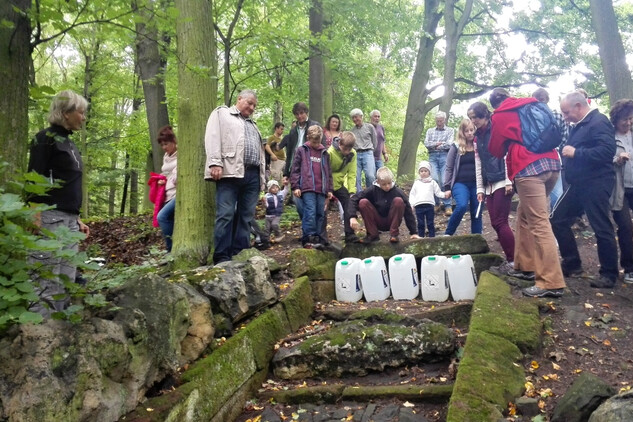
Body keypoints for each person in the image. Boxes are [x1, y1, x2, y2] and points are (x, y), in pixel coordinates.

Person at [488, 87, 566, 298]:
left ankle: (551, 281)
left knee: (539, 222)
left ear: (494, 104)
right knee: (524, 215)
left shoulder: (500, 115)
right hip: (552, 165)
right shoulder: (531, 103)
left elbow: (495, 149)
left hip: (528, 168)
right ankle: (526, 266)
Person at [28, 89, 90, 316]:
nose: (83, 117)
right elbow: (35, 177)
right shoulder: (44, 139)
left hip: (69, 220)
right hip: (49, 218)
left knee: (66, 280)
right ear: (65, 113)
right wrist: (35, 216)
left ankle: (58, 336)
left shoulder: (70, 144)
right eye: (80, 112)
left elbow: (66, 184)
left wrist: (77, 219)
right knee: (46, 281)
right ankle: (38, 336)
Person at [551, 91, 618, 289]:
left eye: (566, 112)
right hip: (578, 184)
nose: (565, 117)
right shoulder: (579, 126)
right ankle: (572, 264)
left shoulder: (598, 121)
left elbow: (607, 151)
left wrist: (576, 152)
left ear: (579, 106)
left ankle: (609, 274)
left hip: (596, 183)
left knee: (601, 226)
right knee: (558, 219)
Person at [205, 89, 265, 264]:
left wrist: (263, 177)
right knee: (226, 214)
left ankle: (240, 253)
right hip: (230, 172)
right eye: (249, 103)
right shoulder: (222, 114)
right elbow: (212, 136)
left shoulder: (253, 124)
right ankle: (222, 256)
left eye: (254, 105)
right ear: (239, 99)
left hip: (252, 175)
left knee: (246, 215)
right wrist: (215, 162)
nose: (252, 107)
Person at [469, 102, 515, 270]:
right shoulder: (477, 137)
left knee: (501, 222)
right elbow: (478, 163)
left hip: (503, 180)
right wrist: (480, 188)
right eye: (471, 118)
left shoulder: (496, 128)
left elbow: (505, 155)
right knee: (495, 223)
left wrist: (509, 180)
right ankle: (511, 259)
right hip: (489, 184)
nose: (473, 120)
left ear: (484, 114)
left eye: (475, 117)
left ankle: (513, 261)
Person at [349, 167, 419, 243]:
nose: (387, 186)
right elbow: (353, 200)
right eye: (384, 184)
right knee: (363, 202)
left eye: (389, 183)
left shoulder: (398, 192)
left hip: (392, 220)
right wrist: (352, 217)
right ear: (378, 182)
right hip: (377, 220)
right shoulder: (372, 190)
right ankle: (372, 235)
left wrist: (413, 232)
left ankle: (394, 235)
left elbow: (408, 212)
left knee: (398, 201)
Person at [290, 125, 333, 248]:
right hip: (307, 187)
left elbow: (328, 172)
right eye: (314, 141)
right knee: (310, 212)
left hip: (321, 189)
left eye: (318, 141)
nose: (316, 144)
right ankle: (309, 236)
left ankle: (318, 237)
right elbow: (295, 169)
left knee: (321, 212)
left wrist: (329, 189)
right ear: (308, 138)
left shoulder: (324, 153)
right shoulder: (302, 150)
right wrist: (295, 186)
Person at [443, 119, 482, 236]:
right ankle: (448, 234)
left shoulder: (478, 145)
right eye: (467, 131)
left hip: (477, 184)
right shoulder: (455, 147)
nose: (470, 133)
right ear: (462, 132)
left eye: (471, 130)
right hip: (460, 183)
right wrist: (447, 187)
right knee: (462, 205)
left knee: (477, 210)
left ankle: (476, 237)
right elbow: (449, 167)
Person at [532, 88, 569, 209]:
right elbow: (565, 138)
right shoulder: (557, 115)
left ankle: (545, 221)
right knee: (556, 193)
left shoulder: (530, 118)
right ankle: (556, 220)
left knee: (538, 194)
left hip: (534, 160)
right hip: (554, 157)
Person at [609, 99, 633, 284]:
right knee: (625, 227)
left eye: (631, 119)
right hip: (620, 189)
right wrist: (617, 159)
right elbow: (602, 157)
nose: (628, 123)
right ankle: (629, 268)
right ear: (616, 119)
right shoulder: (609, 136)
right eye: (625, 119)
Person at [328, 131, 360, 243]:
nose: (346, 152)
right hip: (327, 184)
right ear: (339, 143)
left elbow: (352, 173)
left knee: (349, 203)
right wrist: (328, 190)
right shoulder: (330, 152)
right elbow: (325, 172)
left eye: (349, 150)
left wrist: (352, 191)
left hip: (339, 185)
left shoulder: (353, 154)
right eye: (344, 149)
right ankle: (320, 236)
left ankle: (349, 234)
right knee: (322, 207)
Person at [425, 111, 455, 216]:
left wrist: (436, 145)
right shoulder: (430, 131)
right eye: (437, 121)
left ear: (444, 120)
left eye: (441, 121)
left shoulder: (450, 130)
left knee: (444, 180)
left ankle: (448, 205)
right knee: (434, 179)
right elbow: (426, 144)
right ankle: (436, 203)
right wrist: (438, 144)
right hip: (432, 157)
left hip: (445, 157)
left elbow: (449, 144)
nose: (439, 122)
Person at [409, 160, 448, 237]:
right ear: (419, 172)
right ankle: (421, 238)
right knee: (420, 223)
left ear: (429, 172)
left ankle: (432, 238)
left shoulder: (432, 182)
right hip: (418, 206)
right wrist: (412, 204)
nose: (423, 172)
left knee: (430, 223)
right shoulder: (416, 183)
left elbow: (438, 192)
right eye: (421, 171)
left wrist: (444, 195)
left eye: (425, 171)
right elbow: (412, 194)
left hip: (429, 205)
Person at [156, 126, 178, 252]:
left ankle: (171, 250)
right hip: (167, 194)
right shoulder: (166, 156)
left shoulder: (181, 155)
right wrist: (161, 179)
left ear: (174, 141)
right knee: (170, 221)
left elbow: (177, 174)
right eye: (162, 145)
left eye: (166, 144)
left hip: (177, 193)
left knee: (162, 217)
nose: (164, 147)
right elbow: (166, 172)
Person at [349, 108, 377, 192]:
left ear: (361, 117)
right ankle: (359, 196)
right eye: (353, 118)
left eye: (356, 117)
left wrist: (371, 151)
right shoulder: (352, 131)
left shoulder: (370, 127)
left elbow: (375, 141)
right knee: (356, 176)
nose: (355, 119)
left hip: (368, 152)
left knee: (370, 175)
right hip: (356, 154)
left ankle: (370, 194)